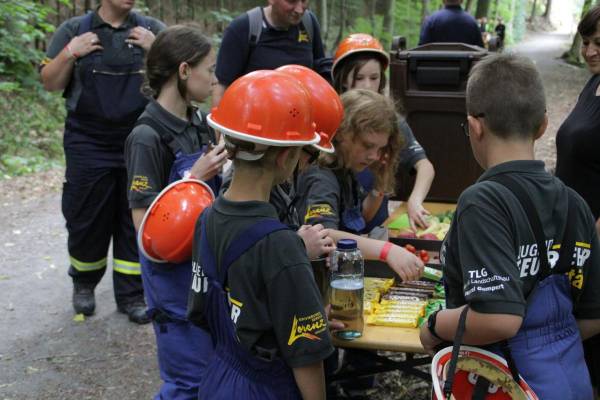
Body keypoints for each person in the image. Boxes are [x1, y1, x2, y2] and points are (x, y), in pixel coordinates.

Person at [419, 53, 600, 399]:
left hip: (510, 383)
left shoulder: (482, 202)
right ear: (543, 125)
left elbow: (498, 318)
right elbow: (594, 314)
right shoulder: (575, 203)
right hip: (573, 381)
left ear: (475, 127)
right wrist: (550, 342)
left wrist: (433, 326)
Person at [187, 70, 334, 399]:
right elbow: (306, 356)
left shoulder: (206, 218)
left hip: (218, 380)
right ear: (287, 156)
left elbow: (200, 310)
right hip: (264, 389)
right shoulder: (282, 245)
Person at [39, 0, 165, 323]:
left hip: (139, 141)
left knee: (135, 215)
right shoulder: (74, 30)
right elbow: (50, 82)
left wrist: (157, 51)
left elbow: (182, 77)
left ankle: (132, 294)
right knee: (86, 216)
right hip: (87, 141)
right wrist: (70, 51)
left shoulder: (152, 30)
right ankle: (83, 283)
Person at [124, 25, 226, 399]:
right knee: (187, 383)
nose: (214, 80)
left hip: (204, 269)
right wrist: (193, 176)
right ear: (184, 71)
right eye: (209, 70)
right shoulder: (146, 137)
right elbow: (145, 231)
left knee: (214, 374)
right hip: (172, 282)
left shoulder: (199, 122)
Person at [296, 89, 424, 282]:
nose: (374, 156)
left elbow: (360, 218)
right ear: (341, 133)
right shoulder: (321, 175)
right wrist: (387, 251)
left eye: (380, 148)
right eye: (367, 145)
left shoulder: (345, 166)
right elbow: (323, 234)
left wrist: (380, 182)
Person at [332, 33, 436, 233]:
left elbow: (424, 166)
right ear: (343, 79)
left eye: (374, 78)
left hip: (376, 228)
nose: (368, 86)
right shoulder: (331, 120)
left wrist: (414, 200)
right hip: (339, 233)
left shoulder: (390, 120)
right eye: (359, 77)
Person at [555, 5, 600, 395]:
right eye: (586, 42)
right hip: (576, 237)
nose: (588, 51)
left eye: (599, 43)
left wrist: (591, 247)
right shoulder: (594, 84)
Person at [212, 0, 330, 106]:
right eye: (291, 1)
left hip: (300, 119)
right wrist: (218, 128)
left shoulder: (309, 23)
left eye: (304, 1)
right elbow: (222, 85)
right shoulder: (243, 28)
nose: (299, 9)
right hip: (252, 121)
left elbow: (318, 71)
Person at [419, 0, 484, 47]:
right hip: (466, 66)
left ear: (443, 1)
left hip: (433, 65)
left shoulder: (431, 20)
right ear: (462, 1)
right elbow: (480, 49)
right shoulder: (472, 22)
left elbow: (421, 48)